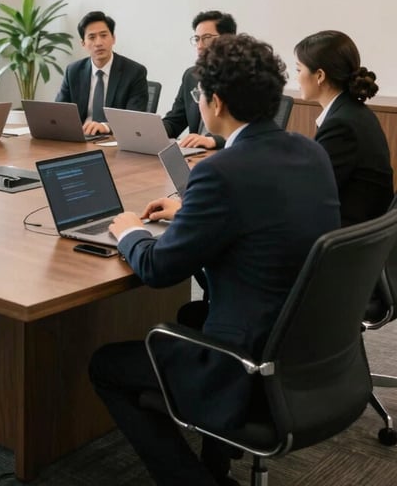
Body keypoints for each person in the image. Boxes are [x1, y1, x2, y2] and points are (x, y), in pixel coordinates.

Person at [89, 34, 340, 486]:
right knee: (191, 315)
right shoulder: (310, 151)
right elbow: (261, 217)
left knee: (106, 365)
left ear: (216, 102)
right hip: (308, 350)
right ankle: (216, 463)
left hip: (246, 364)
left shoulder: (220, 171)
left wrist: (129, 232)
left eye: (198, 94)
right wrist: (190, 213)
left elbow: (157, 269)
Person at [295, 30, 393, 226]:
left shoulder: (341, 125)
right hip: (364, 230)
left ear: (319, 75)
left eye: (298, 70)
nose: (296, 78)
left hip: (349, 234)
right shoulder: (352, 111)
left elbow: (311, 191)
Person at [55, 10, 148, 136]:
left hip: (114, 139)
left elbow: (134, 119)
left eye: (104, 35)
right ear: (83, 43)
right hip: (81, 137)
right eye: (92, 37)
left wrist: (105, 126)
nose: (98, 43)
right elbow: (59, 112)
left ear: (113, 39)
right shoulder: (73, 71)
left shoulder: (134, 72)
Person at [162, 10, 237, 150]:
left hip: (228, 152)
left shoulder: (243, 76)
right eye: (197, 39)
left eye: (207, 38)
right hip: (196, 153)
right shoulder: (191, 75)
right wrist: (153, 132)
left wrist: (213, 141)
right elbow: (176, 120)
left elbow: (247, 128)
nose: (200, 45)